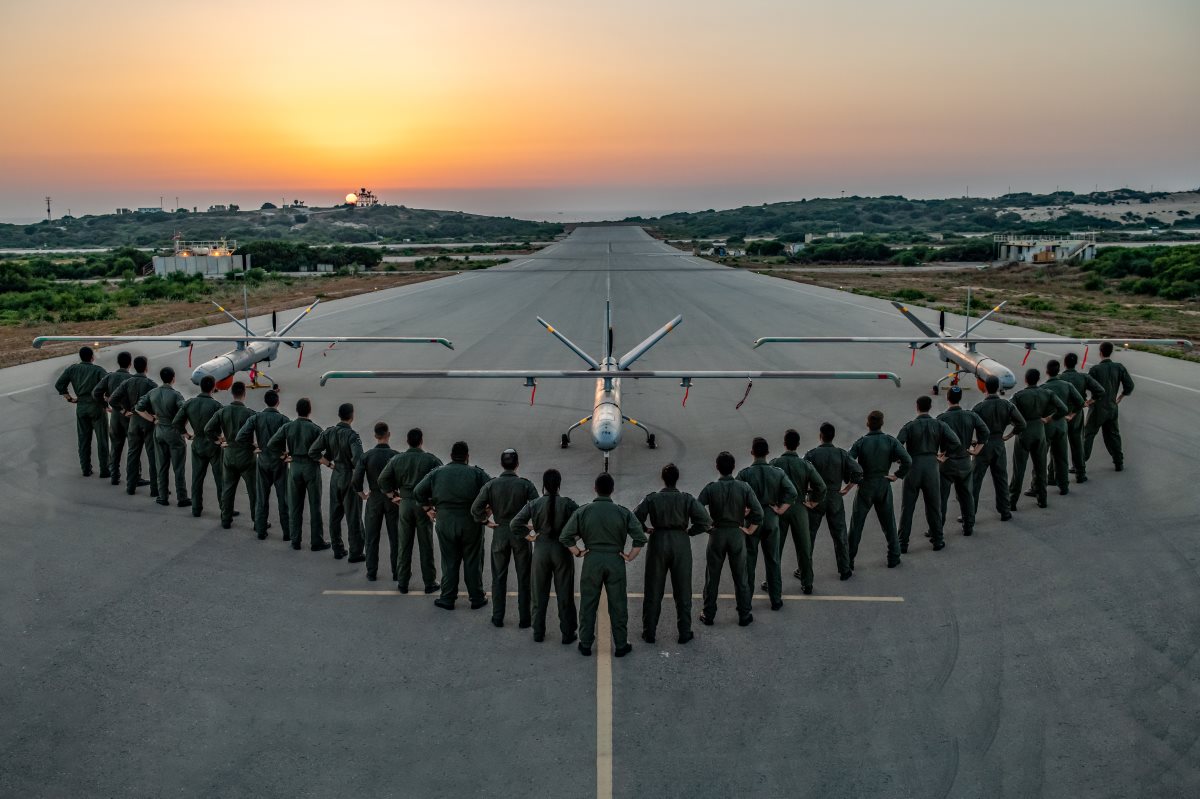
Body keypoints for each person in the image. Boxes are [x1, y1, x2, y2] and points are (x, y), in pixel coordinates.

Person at [560, 472, 645, 658]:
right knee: (618, 604)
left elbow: (565, 537)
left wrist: (579, 552)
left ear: (595, 489)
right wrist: (630, 556)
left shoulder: (583, 511)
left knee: (588, 603)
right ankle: (621, 645)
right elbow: (640, 538)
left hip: (592, 559)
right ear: (612, 490)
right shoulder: (623, 512)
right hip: (615, 560)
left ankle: (585, 644)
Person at [634, 463, 710, 644]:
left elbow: (634, 518)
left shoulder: (652, 499)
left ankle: (649, 631)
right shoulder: (687, 499)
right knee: (683, 590)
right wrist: (691, 531)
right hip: (680, 542)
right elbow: (706, 521)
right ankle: (684, 631)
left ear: (663, 479)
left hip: (658, 541)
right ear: (677, 479)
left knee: (653, 589)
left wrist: (645, 529)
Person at [413, 441, 491, 611]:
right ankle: (476, 597)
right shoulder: (477, 473)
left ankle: (448, 598)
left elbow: (418, 491)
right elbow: (493, 490)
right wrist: (486, 513)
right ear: (467, 456)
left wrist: (427, 508)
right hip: (471, 522)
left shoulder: (437, 473)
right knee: (472, 560)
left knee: (449, 560)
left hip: (445, 521)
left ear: (451, 456)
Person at [472, 449, 539, 628]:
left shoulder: (492, 485)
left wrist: (485, 521)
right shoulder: (525, 485)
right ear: (517, 464)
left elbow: (475, 509)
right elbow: (538, 508)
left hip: (500, 532)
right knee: (524, 577)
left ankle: (498, 617)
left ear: (502, 464)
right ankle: (525, 618)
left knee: (498, 577)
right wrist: (530, 526)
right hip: (520, 534)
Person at [512, 469, 580, 644]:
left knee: (538, 593)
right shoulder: (567, 503)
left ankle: (538, 632)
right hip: (561, 550)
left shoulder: (534, 504)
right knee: (565, 593)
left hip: (541, 550)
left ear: (543, 485)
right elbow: (582, 521)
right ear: (559, 485)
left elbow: (515, 523)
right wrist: (574, 538)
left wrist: (530, 536)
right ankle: (567, 633)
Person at [697, 451, 763, 627]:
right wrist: (749, 529)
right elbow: (759, 512)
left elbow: (697, 509)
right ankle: (744, 614)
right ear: (733, 468)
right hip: (736, 534)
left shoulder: (711, 488)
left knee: (712, 577)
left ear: (717, 467)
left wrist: (707, 526)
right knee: (741, 576)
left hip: (717, 534)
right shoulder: (743, 487)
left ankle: (709, 613)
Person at [378, 428, 442, 594]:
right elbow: (441, 481)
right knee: (426, 544)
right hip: (423, 505)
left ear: (407, 441)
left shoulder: (397, 459)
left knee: (404, 545)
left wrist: (393, 496)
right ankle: (429, 582)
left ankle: (403, 582)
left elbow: (382, 480)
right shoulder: (431, 460)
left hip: (405, 504)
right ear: (421, 441)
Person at [738, 438, 798, 609]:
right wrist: (780, 509)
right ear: (767, 453)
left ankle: (746, 601)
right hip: (771, 518)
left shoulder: (744, 474)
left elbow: (736, 494)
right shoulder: (777, 472)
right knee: (773, 560)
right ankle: (776, 600)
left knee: (749, 561)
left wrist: (746, 510)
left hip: (752, 521)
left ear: (752, 453)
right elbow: (792, 492)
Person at [847, 410, 910, 569]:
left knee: (856, 525)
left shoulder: (861, 442)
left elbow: (848, 461)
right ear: (882, 423)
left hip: (866, 485)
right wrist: (897, 475)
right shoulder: (890, 441)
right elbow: (907, 460)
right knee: (889, 523)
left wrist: (856, 478)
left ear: (868, 424)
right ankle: (893, 557)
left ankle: (848, 560)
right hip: (883, 484)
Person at [897, 396, 960, 553]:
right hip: (932, 467)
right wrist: (943, 455)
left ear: (917, 406)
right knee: (934, 506)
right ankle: (938, 540)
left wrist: (903, 461)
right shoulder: (939, 424)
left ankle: (902, 543)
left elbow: (897, 446)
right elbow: (956, 442)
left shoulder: (910, 427)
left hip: (913, 467)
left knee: (907, 508)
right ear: (930, 407)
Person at [266, 398, 327, 552]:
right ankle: (316, 541)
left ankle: (295, 540)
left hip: (294, 467)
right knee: (315, 505)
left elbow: (272, 443)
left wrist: (283, 454)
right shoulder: (315, 429)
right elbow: (325, 447)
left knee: (295, 505)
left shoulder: (288, 427)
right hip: (311, 467)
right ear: (309, 410)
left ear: (297, 410)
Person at [770, 429, 826, 594]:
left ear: (784, 443)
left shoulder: (774, 463)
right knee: (804, 547)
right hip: (800, 508)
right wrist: (813, 501)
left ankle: (772, 581)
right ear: (798, 444)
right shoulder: (805, 465)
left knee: (775, 548)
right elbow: (821, 486)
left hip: (780, 509)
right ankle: (807, 582)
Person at [804, 423, 862, 580]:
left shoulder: (811, 455)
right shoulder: (841, 454)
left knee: (809, 535)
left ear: (820, 436)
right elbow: (857, 471)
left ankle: (804, 569)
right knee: (840, 534)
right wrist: (847, 488)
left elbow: (802, 475)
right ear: (833, 436)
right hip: (835, 497)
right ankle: (844, 568)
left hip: (816, 498)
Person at [235, 389, 292, 542]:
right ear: (278, 402)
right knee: (283, 498)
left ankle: (261, 529)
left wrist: (253, 446)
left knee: (262, 497)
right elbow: (293, 437)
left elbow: (240, 436)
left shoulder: (256, 418)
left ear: (265, 402)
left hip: (263, 460)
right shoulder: (284, 420)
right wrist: (288, 453)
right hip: (279, 462)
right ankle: (287, 532)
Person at [310, 403, 364, 561]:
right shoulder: (352, 435)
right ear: (352, 416)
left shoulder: (329, 432)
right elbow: (358, 459)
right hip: (349, 476)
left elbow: (313, 451)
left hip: (336, 476)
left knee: (335, 515)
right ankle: (356, 552)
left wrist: (328, 463)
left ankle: (337, 548)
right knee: (353, 516)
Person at [1009, 368, 1068, 511]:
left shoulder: (1019, 396)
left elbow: (1009, 413)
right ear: (1038, 379)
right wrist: (1049, 418)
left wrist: (1016, 425)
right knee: (1041, 467)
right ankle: (1042, 499)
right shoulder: (1046, 393)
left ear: (1026, 380)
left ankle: (1012, 501)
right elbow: (1063, 409)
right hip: (1040, 430)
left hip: (1024, 432)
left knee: (1019, 469)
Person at [971, 375, 1026, 522]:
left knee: (975, 480)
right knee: (1001, 479)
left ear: (985, 388)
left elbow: (969, 427)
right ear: (998, 388)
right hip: (999, 444)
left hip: (983, 446)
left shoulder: (978, 408)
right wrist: (1008, 436)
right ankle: (1005, 511)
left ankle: (970, 513)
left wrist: (974, 442)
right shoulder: (1007, 405)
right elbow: (1021, 423)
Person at [936, 387, 988, 536]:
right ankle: (968, 526)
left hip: (948, 462)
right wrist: (977, 448)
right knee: (967, 496)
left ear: (948, 398)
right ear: (960, 398)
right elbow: (985, 431)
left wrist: (937, 455)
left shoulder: (942, 418)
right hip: (965, 460)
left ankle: (938, 528)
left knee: (941, 498)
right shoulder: (970, 416)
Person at [205, 381, 257, 530]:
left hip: (229, 453)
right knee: (253, 490)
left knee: (228, 488)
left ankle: (226, 519)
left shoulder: (223, 411)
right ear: (244, 394)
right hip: (246, 455)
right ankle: (257, 520)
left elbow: (208, 429)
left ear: (232, 393)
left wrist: (218, 440)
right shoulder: (250, 413)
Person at [135, 366, 189, 508]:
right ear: (173, 378)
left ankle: (162, 496)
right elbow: (185, 411)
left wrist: (152, 419)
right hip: (174, 432)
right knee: (178, 467)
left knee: (161, 466)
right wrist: (182, 427)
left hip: (159, 431)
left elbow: (138, 407)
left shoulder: (153, 393)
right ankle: (182, 497)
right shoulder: (176, 395)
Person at [353, 422, 400, 581]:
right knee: (395, 537)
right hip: (392, 498)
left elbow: (356, 479)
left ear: (375, 436)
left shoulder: (367, 455)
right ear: (388, 434)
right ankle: (396, 572)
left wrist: (362, 494)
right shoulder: (395, 455)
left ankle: (371, 571)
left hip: (373, 498)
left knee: (372, 537)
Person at [172, 375, 224, 518]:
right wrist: (220, 439)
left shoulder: (190, 403)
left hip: (198, 443)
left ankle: (196, 507)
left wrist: (187, 434)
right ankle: (225, 509)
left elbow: (176, 422)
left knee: (197, 478)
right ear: (213, 387)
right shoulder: (216, 406)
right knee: (220, 478)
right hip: (213, 445)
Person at [54, 346, 109, 477]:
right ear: (92, 357)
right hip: (96, 406)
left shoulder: (72, 369)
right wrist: (105, 399)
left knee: (83, 439)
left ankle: (85, 468)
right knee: (102, 439)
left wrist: (69, 398)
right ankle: (105, 469)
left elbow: (59, 384)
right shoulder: (98, 370)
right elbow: (108, 385)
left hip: (81, 406)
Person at [1084, 341, 1135, 472]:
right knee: (1113, 435)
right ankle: (1118, 462)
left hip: (1097, 408)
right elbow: (1129, 385)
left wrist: (1089, 400)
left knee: (1088, 434)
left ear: (1100, 352)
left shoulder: (1095, 369)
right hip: (1112, 407)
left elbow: (1087, 386)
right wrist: (1121, 397)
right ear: (1111, 352)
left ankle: (1080, 463)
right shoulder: (1119, 367)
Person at [1057, 351, 1105, 484]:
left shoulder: (1059, 378)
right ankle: (1080, 473)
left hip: (1061, 415)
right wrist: (1089, 401)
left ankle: (1054, 475)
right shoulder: (1083, 377)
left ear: (1065, 363)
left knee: (1057, 445)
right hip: (1077, 413)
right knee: (1077, 443)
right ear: (1075, 363)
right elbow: (1100, 390)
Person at [113, 355, 157, 496]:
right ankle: (155, 489)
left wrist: (124, 411)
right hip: (148, 421)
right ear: (146, 367)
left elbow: (113, 399)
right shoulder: (151, 384)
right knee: (152, 455)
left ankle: (130, 486)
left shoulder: (127, 382)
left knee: (133, 454)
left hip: (133, 421)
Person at [1040, 360, 1085, 497]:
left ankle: (1038, 486)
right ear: (1058, 371)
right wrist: (1071, 415)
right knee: (1061, 456)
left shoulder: (1043, 388)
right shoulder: (1067, 385)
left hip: (1047, 425)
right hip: (1061, 424)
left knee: (1041, 456)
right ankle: (1063, 485)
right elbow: (1081, 402)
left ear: (1047, 371)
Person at [90, 350, 133, 485]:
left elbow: (96, 392)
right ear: (130, 364)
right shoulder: (132, 379)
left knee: (115, 446)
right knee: (133, 448)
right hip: (128, 415)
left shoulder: (110, 377)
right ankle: (134, 476)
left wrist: (104, 405)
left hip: (114, 415)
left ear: (118, 363)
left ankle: (114, 475)